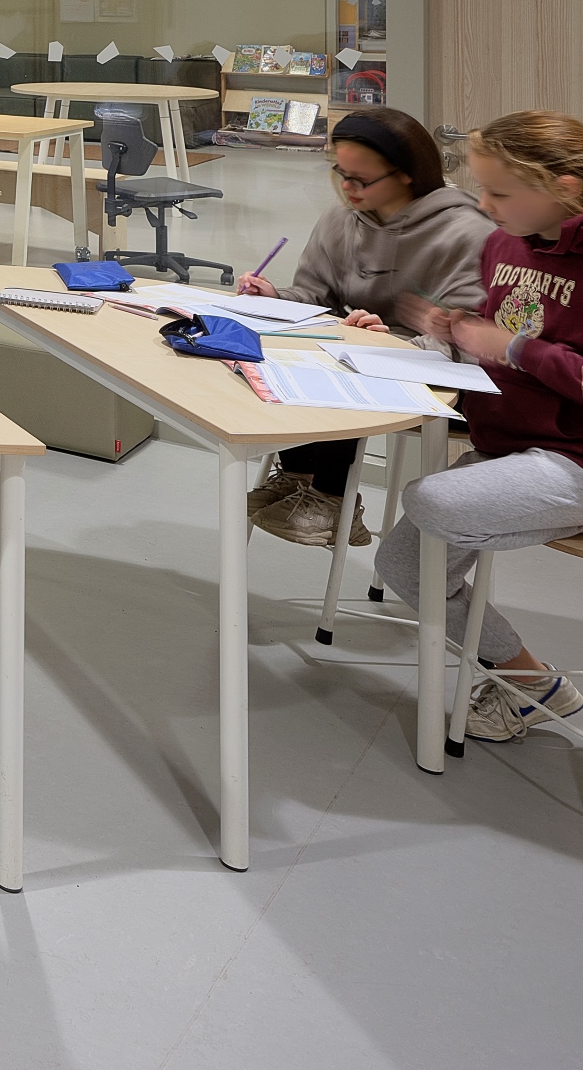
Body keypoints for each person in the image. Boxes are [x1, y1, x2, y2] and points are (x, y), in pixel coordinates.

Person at [380, 110, 583, 742]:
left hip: (572, 458)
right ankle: (532, 684)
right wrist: (452, 333)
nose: (484, 205)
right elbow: (505, 335)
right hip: (507, 446)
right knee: (404, 566)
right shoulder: (503, 244)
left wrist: (514, 347)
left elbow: (522, 345)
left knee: (432, 498)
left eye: (499, 192)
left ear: (563, 187)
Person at [240, 109, 493, 547]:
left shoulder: (468, 232)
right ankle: (299, 475)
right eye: (341, 174)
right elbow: (314, 297)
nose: (348, 189)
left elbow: (469, 339)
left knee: (350, 364)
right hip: (361, 347)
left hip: (442, 367)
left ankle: (333, 498)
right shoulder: (341, 219)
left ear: (407, 175)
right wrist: (274, 297)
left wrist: (395, 344)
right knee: (282, 344)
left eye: (362, 179)